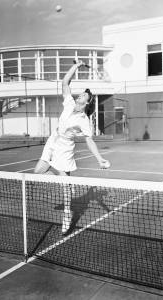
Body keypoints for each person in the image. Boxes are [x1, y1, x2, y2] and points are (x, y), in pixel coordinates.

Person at [34, 60, 110, 234]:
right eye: (80, 94)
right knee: (37, 171)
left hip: (65, 148)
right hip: (53, 140)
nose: (79, 96)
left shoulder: (83, 120)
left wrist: (99, 159)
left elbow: (89, 140)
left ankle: (67, 214)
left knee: (65, 187)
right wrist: (76, 66)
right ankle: (65, 180)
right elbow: (65, 82)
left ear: (87, 102)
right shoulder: (68, 102)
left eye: (83, 95)